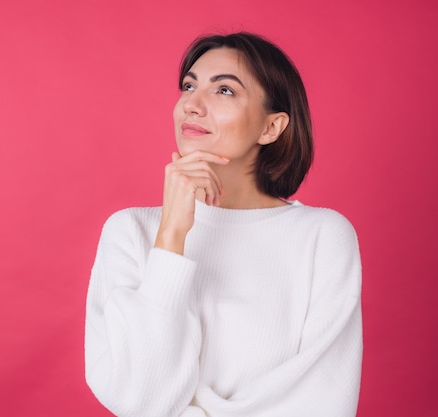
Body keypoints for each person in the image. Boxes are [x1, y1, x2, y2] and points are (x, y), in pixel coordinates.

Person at [85, 32, 362, 417]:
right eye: (188, 86)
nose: (191, 106)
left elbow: (324, 401)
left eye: (224, 91)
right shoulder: (130, 232)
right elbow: (139, 400)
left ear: (271, 127)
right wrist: (171, 237)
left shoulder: (322, 237)